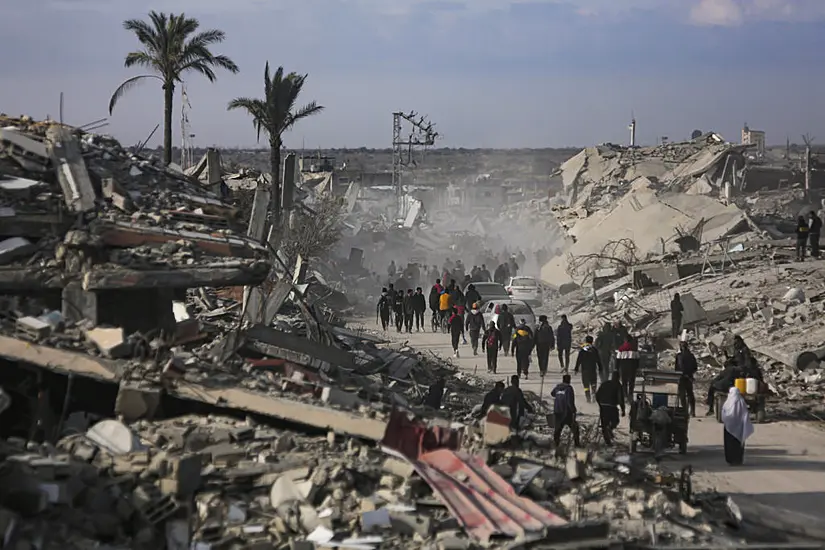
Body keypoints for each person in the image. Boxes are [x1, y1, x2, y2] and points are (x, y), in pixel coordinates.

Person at [721, 387, 754, 465]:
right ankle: (738, 460)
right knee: (738, 444)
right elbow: (745, 414)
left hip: (729, 428)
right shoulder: (741, 402)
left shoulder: (727, 403)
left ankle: (730, 460)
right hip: (739, 427)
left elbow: (723, 414)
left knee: (729, 444)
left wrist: (727, 421)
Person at [595, 370, 625, 446]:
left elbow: (597, 395)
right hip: (612, 406)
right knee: (615, 421)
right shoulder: (618, 385)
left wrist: (599, 404)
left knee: (604, 425)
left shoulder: (605, 383)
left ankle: (608, 442)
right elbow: (620, 398)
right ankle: (610, 428)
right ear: (618, 377)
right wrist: (623, 409)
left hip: (603, 406)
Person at [551, 374, 580, 447]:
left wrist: (559, 396)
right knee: (575, 428)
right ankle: (577, 444)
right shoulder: (569, 388)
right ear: (569, 380)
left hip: (557, 411)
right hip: (566, 412)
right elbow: (569, 401)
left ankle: (556, 443)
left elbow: (552, 394)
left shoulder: (557, 387)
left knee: (557, 429)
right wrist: (573, 410)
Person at [575, 335, 602, 403]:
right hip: (592, 369)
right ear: (592, 341)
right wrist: (600, 367)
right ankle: (593, 393)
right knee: (593, 382)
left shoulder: (583, 350)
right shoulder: (594, 349)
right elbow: (598, 359)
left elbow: (579, 359)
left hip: (585, 370)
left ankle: (588, 398)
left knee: (586, 384)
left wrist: (576, 368)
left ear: (586, 341)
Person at [675, 341, 697, 416]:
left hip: (681, 377)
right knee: (690, 393)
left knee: (682, 394)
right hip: (689, 377)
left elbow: (677, 368)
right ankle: (693, 411)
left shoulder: (679, 356)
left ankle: (685, 411)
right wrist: (689, 374)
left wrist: (682, 374)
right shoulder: (691, 356)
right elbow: (695, 367)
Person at [616, 334, 639, 400]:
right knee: (631, 382)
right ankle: (630, 395)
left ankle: (625, 395)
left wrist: (616, 368)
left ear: (625, 340)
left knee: (624, 381)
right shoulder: (634, 349)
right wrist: (636, 367)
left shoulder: (621, 348)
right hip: (632, 367)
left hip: (623, 366)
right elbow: (637, 359)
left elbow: (618, 359)